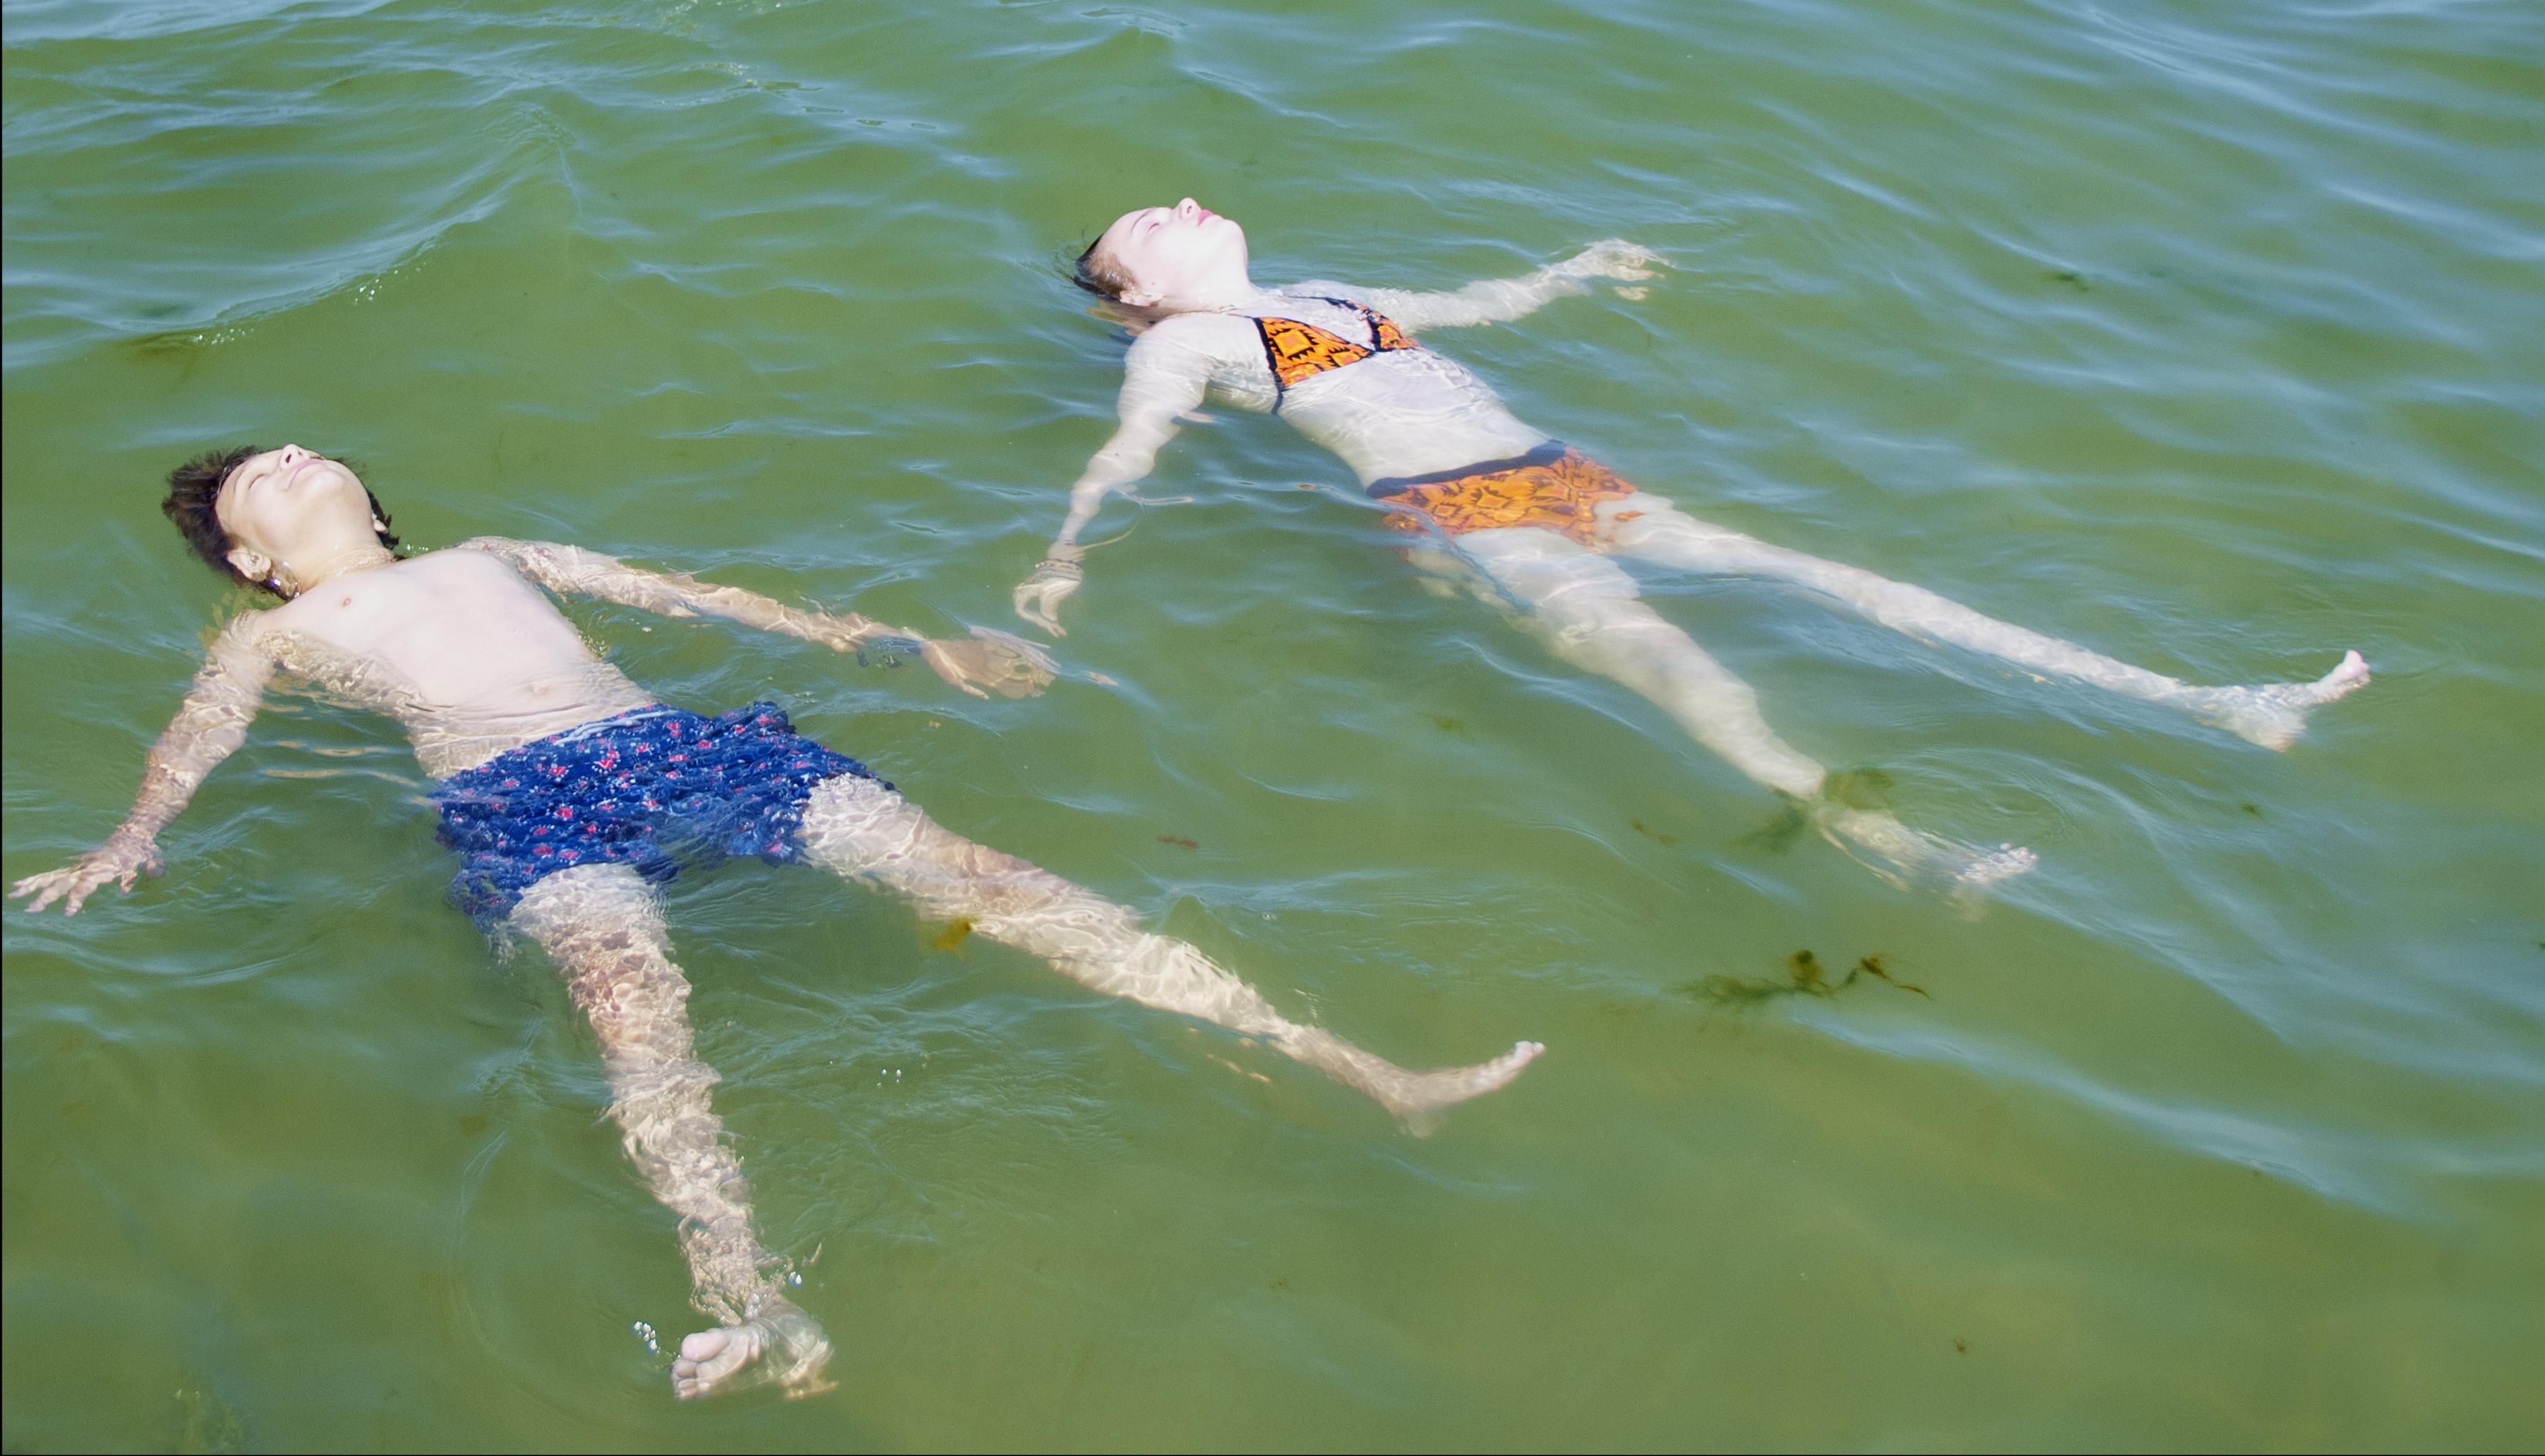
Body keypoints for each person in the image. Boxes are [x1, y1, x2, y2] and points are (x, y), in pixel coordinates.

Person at [12, 444, 1542, 1400]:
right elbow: (197, 734)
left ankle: (1351, 1065)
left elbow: (702, 597)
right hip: (526, 808)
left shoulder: (500, 555)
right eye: (251, 490)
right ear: (253, 562)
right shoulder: (275, 633)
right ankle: (747, 1303)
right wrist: (131, 837)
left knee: (992, 884)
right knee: (642, 1030)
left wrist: (900, 643)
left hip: (693, 748)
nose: (284, 458)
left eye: (295, 450)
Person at [1018, 198, 2371, 883]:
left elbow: (1474, 306)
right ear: (1135, 287)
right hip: (1467, 511)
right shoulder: (1187, 342)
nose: (1187, 204)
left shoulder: (1334, 291)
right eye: (1154, 219)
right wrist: (1068, 552)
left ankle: (2218, 703)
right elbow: (1130, 445)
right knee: (1690, 677)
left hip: (1553, 476)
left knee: (1850, 582)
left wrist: (1572, 273)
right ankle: (1915, 857)